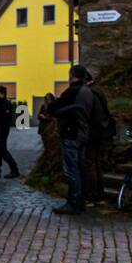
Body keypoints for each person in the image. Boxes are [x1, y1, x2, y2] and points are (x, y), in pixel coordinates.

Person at [49, 65, 94, 215]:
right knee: (80, 168)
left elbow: (54, 107)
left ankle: (73, 202)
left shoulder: (73, 91)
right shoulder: (88, 91)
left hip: (71, 133)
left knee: (72, 170)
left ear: (72, 75)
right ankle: (80, 201)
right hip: (83, 134)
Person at [84, 70, 113, 205]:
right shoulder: (98, 91)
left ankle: (93, 195)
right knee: (96, 163)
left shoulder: (90, 93)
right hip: (101, 133)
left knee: (91, 164)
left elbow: (93, 115)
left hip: (93, 134)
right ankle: (99, 195)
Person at [0, 85, 20, 178]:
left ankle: (15, 170)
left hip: (2, 132)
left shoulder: (6, 104)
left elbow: (4, 120)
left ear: (2, 94)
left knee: (3, 152)